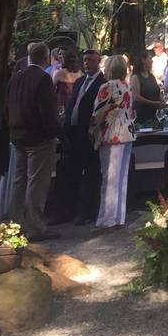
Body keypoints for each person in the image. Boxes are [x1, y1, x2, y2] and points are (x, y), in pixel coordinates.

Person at [5, 42, 60, 241]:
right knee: (36, 182)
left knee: (19, 181)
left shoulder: (16, 78)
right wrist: (55, 134)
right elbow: (48, 112)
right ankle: (35, 225)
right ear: (45, 58)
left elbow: (7, 107)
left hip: (17, 136)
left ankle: (15, 223)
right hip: (38, 138)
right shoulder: (43, 79)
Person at [61, 49, 106, 225]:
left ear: (98, 61)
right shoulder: (79, 81)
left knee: (90, 174)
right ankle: (67, 210)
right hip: (72, 131)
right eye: (85, 60)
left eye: (90, 60)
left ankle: (86, 211)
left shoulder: (103, 83)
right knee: (70, 171)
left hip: (88, 133)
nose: (86, 63)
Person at [90, 56, 134, 230]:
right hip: (127, 133)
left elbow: (97, 112)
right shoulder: (127, 85)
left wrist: (92, 131)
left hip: (111, 134)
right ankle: (118, 217)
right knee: (121, 178)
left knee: (109, 177)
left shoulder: (107, 86)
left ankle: (107, 218)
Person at [131, 51, 164, 123]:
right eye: (150, 58)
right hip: (141, 113)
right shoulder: (136, 77)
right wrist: (153, 103)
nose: (152, 61)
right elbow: (136, 97)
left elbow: (156, 90)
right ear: (143, 60)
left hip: (153, 113)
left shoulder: (152, 76)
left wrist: (161, 100)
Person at [52, 50, 82, 114]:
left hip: (61, 105)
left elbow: (51, 89)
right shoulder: (81, 74)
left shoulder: (60, 73)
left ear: (65, 60)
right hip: (74, 105)